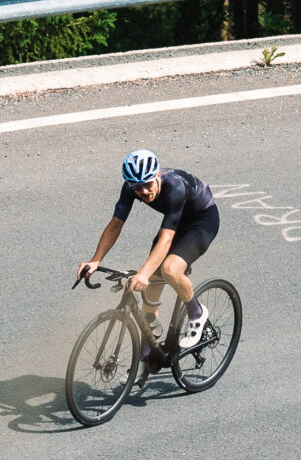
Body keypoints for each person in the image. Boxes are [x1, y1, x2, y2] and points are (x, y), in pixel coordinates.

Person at [77, 149, 219, 356]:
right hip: (176, 221)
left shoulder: (175, 186)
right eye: (137, 187)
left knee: (170, 269)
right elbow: (115, 225)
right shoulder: (130, 187)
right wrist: (96, 260)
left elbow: (167, 238)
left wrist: (142, 274)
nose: (143, 191)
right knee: (151, 283)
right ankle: (148, 350)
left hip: (202, 221)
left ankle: (197, 313)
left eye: (148, 184)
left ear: (158, 176)